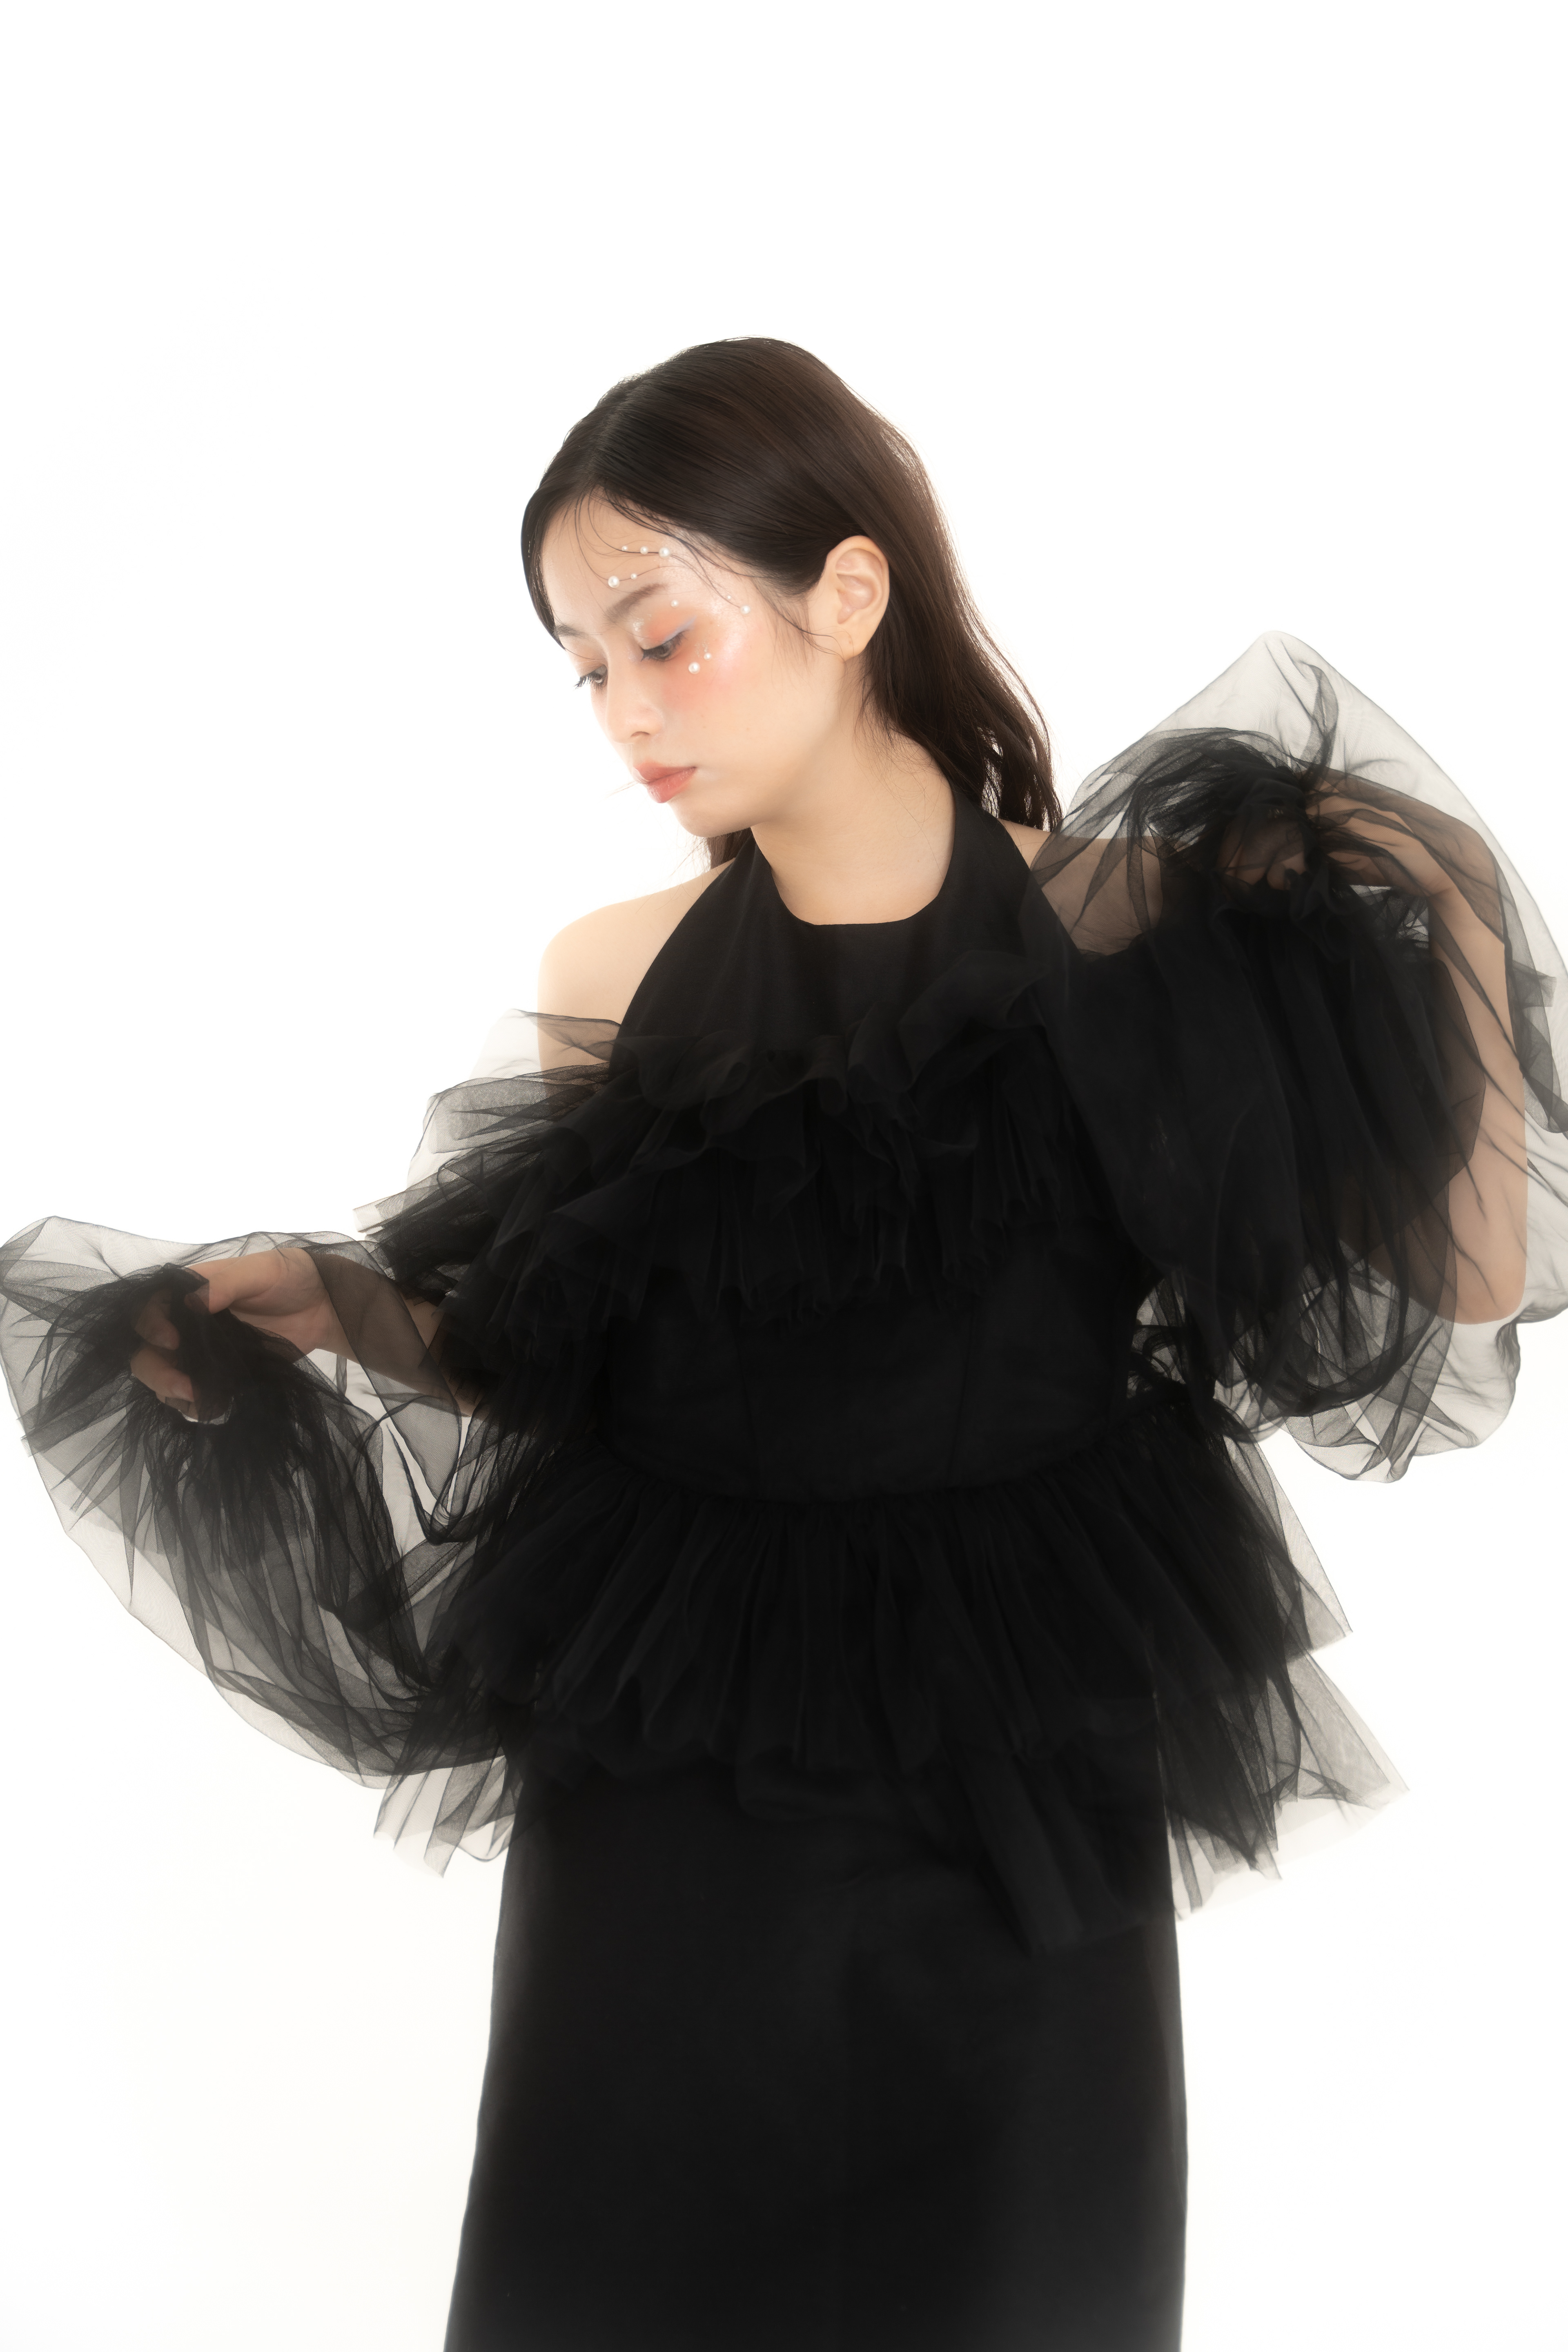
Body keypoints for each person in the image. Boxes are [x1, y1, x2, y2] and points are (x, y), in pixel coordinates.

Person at [3, 337, 1564, 2352]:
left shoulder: (1134, 939)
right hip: (671, 1789)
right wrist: (346, 1303)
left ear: (847, 594)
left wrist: (1438, 896)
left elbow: (1471, 1277)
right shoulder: (615, 971)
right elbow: (565, 1357)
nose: (626, 713)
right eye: (585, 668)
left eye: (663, 638)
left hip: (1019, 1776)